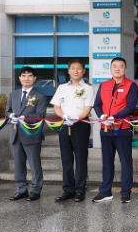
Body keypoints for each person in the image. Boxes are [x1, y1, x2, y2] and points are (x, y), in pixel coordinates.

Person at [91, 57, 138, 204]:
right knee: (107, 162)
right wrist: (102, 116)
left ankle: (126, 192)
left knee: (125, 161)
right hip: (106, 129)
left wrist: (114, 117)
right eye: (114, 66)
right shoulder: (104, 85)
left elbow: (130, 107)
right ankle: (105, 191)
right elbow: (97, 104)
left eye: (121, 66)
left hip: (122, 129)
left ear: (125, 69)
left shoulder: (131, 85)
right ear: (110, 69)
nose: (117, 69)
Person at [50, 60, 95, 203]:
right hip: (64, 124)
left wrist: (76, 118)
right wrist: (63, 116)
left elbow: (87, 109)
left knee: (81, 158)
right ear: (68, 71)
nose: (76, 71)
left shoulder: (88, 89)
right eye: (73, 68)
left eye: (79, 68)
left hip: (80, 125)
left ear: (84, 71)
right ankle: (68, 190)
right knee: (66, 158)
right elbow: (56, 106)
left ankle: (80, 190)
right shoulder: (62, 87)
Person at [6, 66, 48, 202]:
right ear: (19, 78)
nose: (26, 78)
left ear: (34, 78)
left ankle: (36, 190)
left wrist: (25, 118)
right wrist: (10, 115)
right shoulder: (13, 94)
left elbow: (40, 115)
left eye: (30, 76)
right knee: (18, 164)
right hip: (16, 134)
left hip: (31, 134)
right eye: (23, 76)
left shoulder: (40, 96)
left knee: (34, 164)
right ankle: (21, 189)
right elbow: (7, 111)